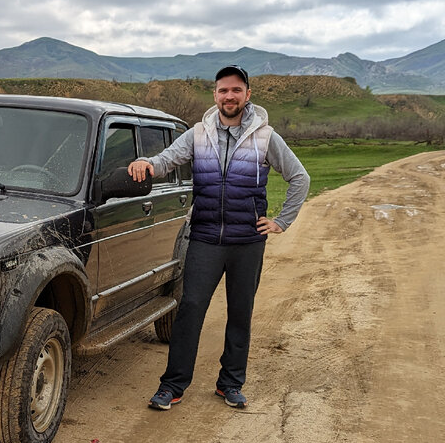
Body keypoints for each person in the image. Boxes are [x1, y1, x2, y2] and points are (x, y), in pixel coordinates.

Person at [128, 65, 309, 410]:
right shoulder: (198, 133)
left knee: (240, 312)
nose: (230, 96)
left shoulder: (266, 136)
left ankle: (230, 384)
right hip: (206, 238)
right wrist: (146, 162)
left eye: (236, 90)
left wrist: (282, 221)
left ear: (247, 95)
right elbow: (167, 160)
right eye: (224, 90)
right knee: (191, 308)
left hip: (247, 242)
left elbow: (300, 178)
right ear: (215, 95)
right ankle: (173, 385)